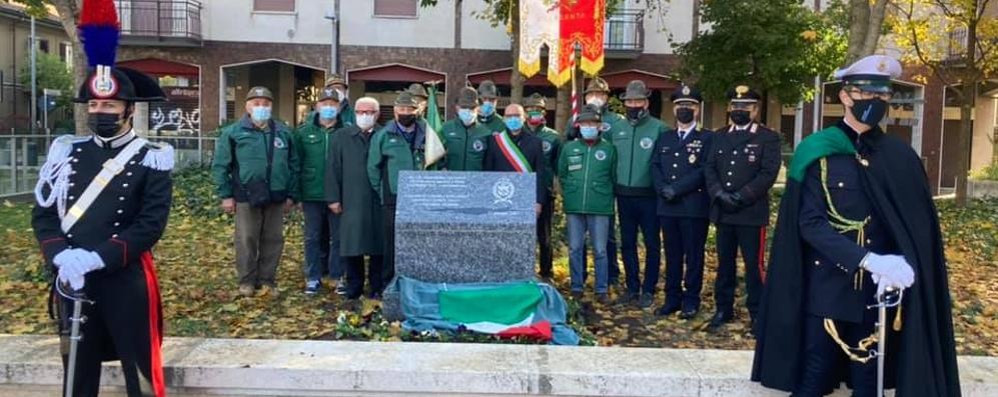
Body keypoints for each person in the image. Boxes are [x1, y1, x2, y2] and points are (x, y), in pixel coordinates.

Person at [752, 55, 961, 396]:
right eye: (866, 93)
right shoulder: (817, 151)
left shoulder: (900, 156)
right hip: (826, 292)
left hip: (878, 298)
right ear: (845, 96)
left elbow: (914, 229)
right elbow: (810, 224)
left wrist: (901, 264)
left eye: (883, 95)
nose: (875, 101)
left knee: (870, 385)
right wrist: (867, 260)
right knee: (813, 381)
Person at [32, 2, 172, 394]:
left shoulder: (151, 158)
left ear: (128, 109)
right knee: (76, 366)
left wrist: (100, 256)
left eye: (109, 104)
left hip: (124, 275)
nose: (100, 111)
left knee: (139, 366)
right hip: (73, 275)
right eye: (94, 104)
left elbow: (150, 223)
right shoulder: (67, 153)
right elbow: (43, 215)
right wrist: (62, 255)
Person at [703, 85, 781, 330]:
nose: (740, 110)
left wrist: (741, 196)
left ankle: (757, 314)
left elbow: (768, 173)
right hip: (724, 211)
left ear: (755, 109)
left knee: (753, 267)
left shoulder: (767, 137)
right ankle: (723, 310)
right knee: (724, 265)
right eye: (736, 106)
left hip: (751, 213)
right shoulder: (719, 135)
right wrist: (718, 194)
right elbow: (709, 168)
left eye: (745, 106)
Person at [213, 86, 300, 297]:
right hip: (246, 195)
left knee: (273, 239)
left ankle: (267, 280)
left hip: (276, 194)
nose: (261, 107)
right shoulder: (233, 133)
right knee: (247, 238)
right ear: (247, 106)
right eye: (256, 103)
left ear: (271, 106)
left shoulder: (283, 132)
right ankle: (246, 280)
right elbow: (221, 166)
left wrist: (292, 195)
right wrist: (226, 195)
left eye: (265, 104)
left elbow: (295, 164)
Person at [651, 85, 712, 319]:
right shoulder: (665, 137)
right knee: (672, 255)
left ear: (697, 109)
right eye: (680, 106)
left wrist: (676, 189)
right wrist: (662, 189)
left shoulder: (706, 138)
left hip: (694, 207)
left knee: (693, 256)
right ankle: (672, 298)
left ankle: (691, 300)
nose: (684, 109)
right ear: (674, 109)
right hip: (668, 207)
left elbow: (704, 170)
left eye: (689, 106)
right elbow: (655, 165)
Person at [609, 80, 666, 307]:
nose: (633, 105)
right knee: (628, 243)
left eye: (638, 101)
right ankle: (632, 287)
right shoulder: (617, 128)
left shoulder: (660, 128)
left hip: (650, 196)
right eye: (629, 101)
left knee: (652, 243)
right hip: (624, 195)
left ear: (646, 102)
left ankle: (649, 289)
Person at [367, 91, 430, 296]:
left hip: (420, 198)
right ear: (394, 111)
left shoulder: (427, 132)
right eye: (401, 109)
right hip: (392, 197)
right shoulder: (383, 135)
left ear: (416, 111)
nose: (405, 113)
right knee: (391, 242)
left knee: (418, 242)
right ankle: (388, 283)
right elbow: (373, 167)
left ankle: (416, 282)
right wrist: (382, 191)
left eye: (409, 109)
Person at [328, 97, 386, 300]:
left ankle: (377, 285)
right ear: (354, 113)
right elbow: (333, 169)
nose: (365, 116)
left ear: (377, 114)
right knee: (352, 243)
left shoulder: (385, 135)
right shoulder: (341, 136)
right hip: (350, 198)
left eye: (369, 112)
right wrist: (333, 198)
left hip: (378, 199)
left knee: (379, 244)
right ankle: (354, 285)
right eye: (361, 112)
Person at [558, 105, 616, 304]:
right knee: (574, 248)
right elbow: (563, 174)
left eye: (593, 123)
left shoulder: (609, 149)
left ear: (600, 126)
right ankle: (576, 286)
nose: (589, 127)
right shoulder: (569, 148)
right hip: (575, 206)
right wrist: (571, 191)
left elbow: (613, 176)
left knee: (600, 250)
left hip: (600, 206)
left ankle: (601, 289)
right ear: (579, 126)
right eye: (585, 124)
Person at [294, 87, 345, 295]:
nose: (328, 108)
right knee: (312, 237)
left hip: (338, 195)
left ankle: (337, 276)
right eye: (324, 104)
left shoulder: (346, 131)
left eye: (332, 104)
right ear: (317, 107)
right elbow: (296, 163)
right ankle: (313, 277)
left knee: (339, 237)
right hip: (311, 193)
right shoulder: (304, 132)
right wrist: (296, 194)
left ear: (339, 108)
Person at [576, 76, 623, 286]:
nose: (596, 98)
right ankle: (581, 275)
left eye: (600, 94)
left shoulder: (617, 121)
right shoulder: (576, 118)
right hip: (583, 185)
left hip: (605, 185)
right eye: (592, 94)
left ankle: (611, 274)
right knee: (579, 240)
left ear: (607, 97)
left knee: (607, 235)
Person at [483, 103, 546, 217]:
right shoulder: (495, 141)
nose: (513, 119)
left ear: (524, 117)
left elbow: (540, 174)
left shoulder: (536, 142)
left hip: (526, 197)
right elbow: (488, 172)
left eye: (517, 115)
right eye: (509, 116)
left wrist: (538, 201)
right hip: (501, 196)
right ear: (504, 119)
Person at [523, 93, 561, 281]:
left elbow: (558, 166)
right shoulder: (517, 135)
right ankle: (523, 272)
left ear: (544, 113)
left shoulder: (553, 137)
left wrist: (555, 189)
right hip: (521, 193)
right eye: (529, 110)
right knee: (523, 236)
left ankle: (546, 273)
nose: (533, 114)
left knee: (544, 236)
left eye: (537, 110)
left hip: (544, 192)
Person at [441, 86, 492, 171]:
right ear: (457, 107)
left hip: (477, 181)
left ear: (478, 108)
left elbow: (490, 161)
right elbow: (435, 156)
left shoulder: (486, 132)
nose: (468, 110)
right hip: (452, 180)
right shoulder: (445, 129)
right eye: (464, 107)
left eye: (472, 108)